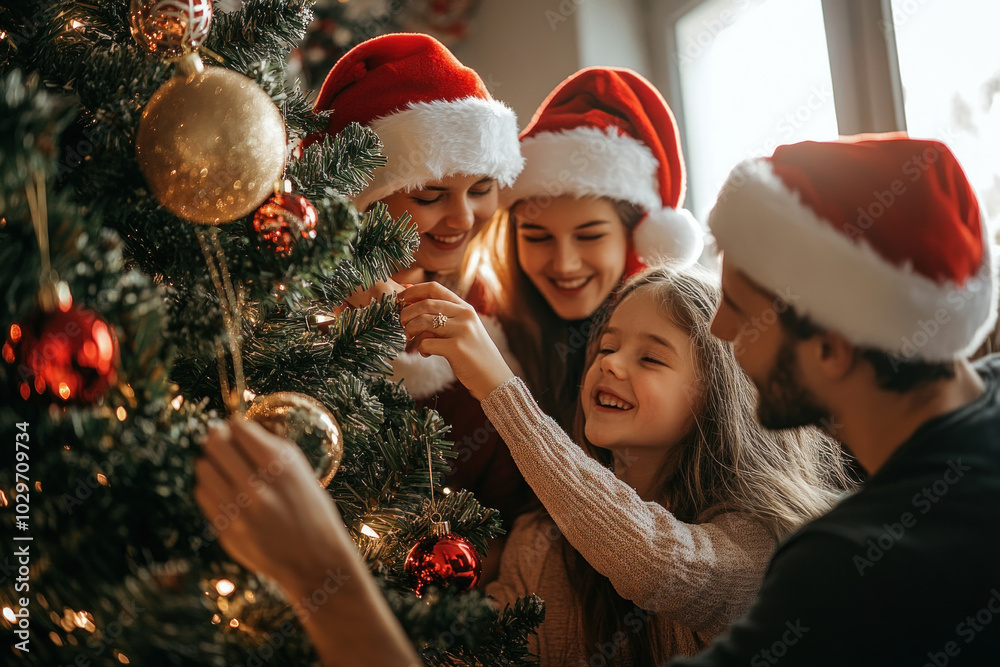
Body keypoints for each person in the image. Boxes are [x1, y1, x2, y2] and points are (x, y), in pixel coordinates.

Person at [195, 135, 1000, 666]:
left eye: (741, 309)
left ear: (828, 345)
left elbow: (663, 563)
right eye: (609, 344)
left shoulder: (840, 566)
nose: (722, 326)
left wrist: (316, 569)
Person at [400, 266, 852, 664]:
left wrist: (499, 388)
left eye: (650, 357)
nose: (611, 363)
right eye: (605, 348)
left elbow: (660, 566)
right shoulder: (540, 542)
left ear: (720, 398)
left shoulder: (765, 543)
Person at [309, 33, 533, 536]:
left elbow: (511, 506)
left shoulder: (488, 309)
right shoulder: (293, 316)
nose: (462, 217)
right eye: (431, 195)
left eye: (481, 189)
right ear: (363, 198)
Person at [464, 66, 704, 428]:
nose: (564, 264)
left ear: (637, 237)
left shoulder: (688, 340)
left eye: (590, 236)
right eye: (538, 237)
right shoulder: (489, 333)